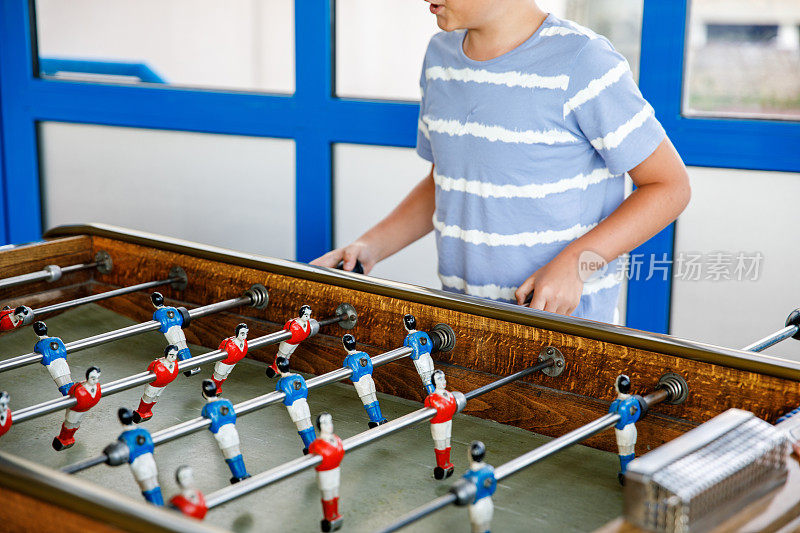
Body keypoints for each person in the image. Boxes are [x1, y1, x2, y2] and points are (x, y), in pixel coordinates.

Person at [311, 0, 690, 324]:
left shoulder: (583, 60)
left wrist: (577, 263)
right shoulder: (439, 58)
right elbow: (447, 182)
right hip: (467, 323)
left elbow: (669, 186)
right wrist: (369, 247)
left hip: (568, 337)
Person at [200, 379, 250, 484]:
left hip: (223, 435)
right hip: (232, 431)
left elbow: (212, 424)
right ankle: (244, 473)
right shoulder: (226, 402)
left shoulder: (207, 408)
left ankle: (238, 475)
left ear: (204, 393)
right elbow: (232, 416)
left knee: (230, 455)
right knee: (237, 451)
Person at [115, 408, 164, 505]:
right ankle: (162, 511)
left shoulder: (123, 437)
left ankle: (157, 514)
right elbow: (150, 446)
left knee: (148, 490)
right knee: (155, 485)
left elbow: (127, 454)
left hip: (139, 468)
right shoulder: (143, 431)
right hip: (150, 464)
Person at [341, 334, 388, 428]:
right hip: (369, 379)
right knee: (374, 398)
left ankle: (375, 420)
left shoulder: (349, 359)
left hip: (361, 383)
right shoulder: (364, 354)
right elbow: (370, 367)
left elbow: (353, 373)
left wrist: (357, 379)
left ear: (344, 346)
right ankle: (380, 418)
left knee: (368, 401)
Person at [308, 413, 345, 532]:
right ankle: (329, 517)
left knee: (335, 492)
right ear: (320, 426)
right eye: (325, 423)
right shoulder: (316, 445)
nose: (329, 425)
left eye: (330, 422)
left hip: (335, 470)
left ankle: (335, 514)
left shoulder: (336, 439)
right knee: (328, 494)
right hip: (325, 474)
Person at [53, 366, 102, 450]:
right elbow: (71, 393)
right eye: (93, 378)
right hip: (75, 410)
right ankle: (63, 438)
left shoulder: (97, 387)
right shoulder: (78, 389)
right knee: (70, 423)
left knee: (77, 423)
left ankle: (70, 437)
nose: (96, 381)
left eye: (97, 378)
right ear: (88, 377)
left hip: (85, 409)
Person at [133, 345, 180, 423]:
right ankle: (141, 412)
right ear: (166, 354)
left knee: (156, 398)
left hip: (163, 385)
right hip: (154, 385)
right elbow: (149, 370)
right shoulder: (157, 364)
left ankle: (148, 411)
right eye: (171, 355)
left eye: (175, 355)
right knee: (148, 397)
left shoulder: (174, 363)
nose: (174, 357)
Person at [33, 321, 74, 396]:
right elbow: (64, 352)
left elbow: (43, 360)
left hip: (53, 367)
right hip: (63, 364)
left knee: (63, 387)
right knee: (70, 384)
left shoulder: (38, 345)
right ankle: (74, 401)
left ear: (35, 333)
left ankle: (72, 404)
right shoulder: (57, 339)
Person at [211, 323, 249, 394]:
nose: (244, 336)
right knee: (219, 375)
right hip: (224, 363)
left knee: (225, 376)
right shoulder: (228, 343)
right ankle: (212, 389)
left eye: (246, 334)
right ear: (237, 333)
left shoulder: (244, 342)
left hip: (233, 363)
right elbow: (220, 350)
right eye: (242, 334)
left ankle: (218, 387)